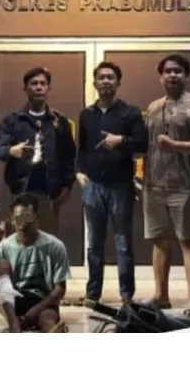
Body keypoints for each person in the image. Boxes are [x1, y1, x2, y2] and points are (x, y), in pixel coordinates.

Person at [142, 54, 190, 319]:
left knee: (187, 241)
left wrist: (176, 146)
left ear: (186, 75)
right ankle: (161, 295)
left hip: (186, 186)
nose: (172, 75)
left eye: (177, 71)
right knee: (160, 242)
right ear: (160, 76)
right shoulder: (153, 107)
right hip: (153, 186)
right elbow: (146, 146)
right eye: (167, 71)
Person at [75, 61, 147, 305]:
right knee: (94, 244)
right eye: (101, 77)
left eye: (110, 77)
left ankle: (126, 295)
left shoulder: (131, 113)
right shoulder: (86, 114)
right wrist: (78, 172)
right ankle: (93, 293)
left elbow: (142, 144)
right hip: (92, 185)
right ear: (94, 83)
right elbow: (82, 148)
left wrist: (121, 141)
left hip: (121, 186)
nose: (106, 81)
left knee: (123, 243)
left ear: (118, 83)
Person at [0, 67, 76, 235]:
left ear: (48, 88)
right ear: (25, 89)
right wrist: (11, 150)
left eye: (43, 84)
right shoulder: (13, 121)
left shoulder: (59, 121)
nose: (39, 87)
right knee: (23, 236)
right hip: (22, 194)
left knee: (47, 239)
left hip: (49, 194)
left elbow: (69, 155)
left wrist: (67, 186)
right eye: (34, 84)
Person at [0, 193, 70, 333]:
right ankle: (15, 325)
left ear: (37, 217)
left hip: (44, 301)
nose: (23, 223)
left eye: (27, 217)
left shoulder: (55, 247)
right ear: (12, 220)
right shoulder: (1, 250)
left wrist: (35, 311)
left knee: (47, 320)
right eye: (19, 218)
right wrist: (10, 317)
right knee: (2, 266)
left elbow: (60, 288)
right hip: (14, 301)